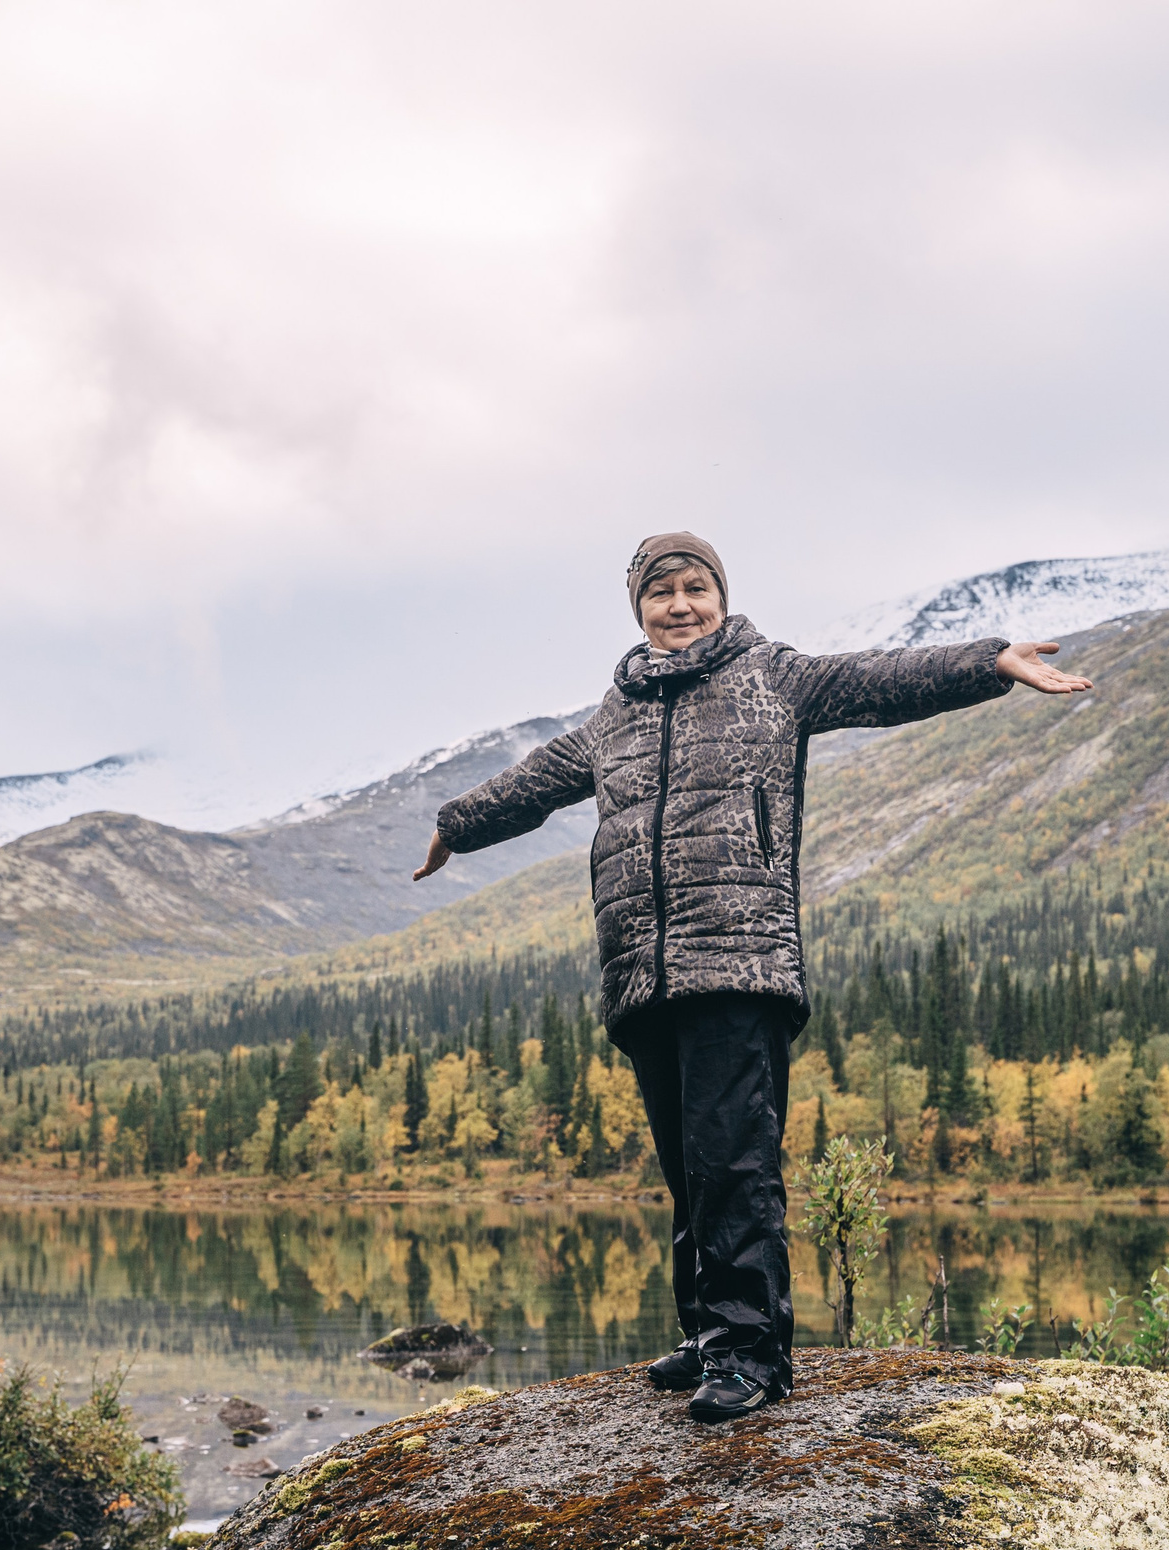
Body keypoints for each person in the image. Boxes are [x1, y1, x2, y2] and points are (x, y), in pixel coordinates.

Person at [413, 532, 1091, 1421]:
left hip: (737, 957)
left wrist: (988, 662)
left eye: (696, 588)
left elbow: (881, 681)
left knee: (734, 1161)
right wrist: (456, 825)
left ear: (720, 597)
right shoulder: (614, 715)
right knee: (688, 1170)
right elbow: (533, 783)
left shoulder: (775, 677)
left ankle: (753, 1352)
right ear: (639, 610)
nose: (681, 606)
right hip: (641, 973)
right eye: (662, 594)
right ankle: (708, 1335)